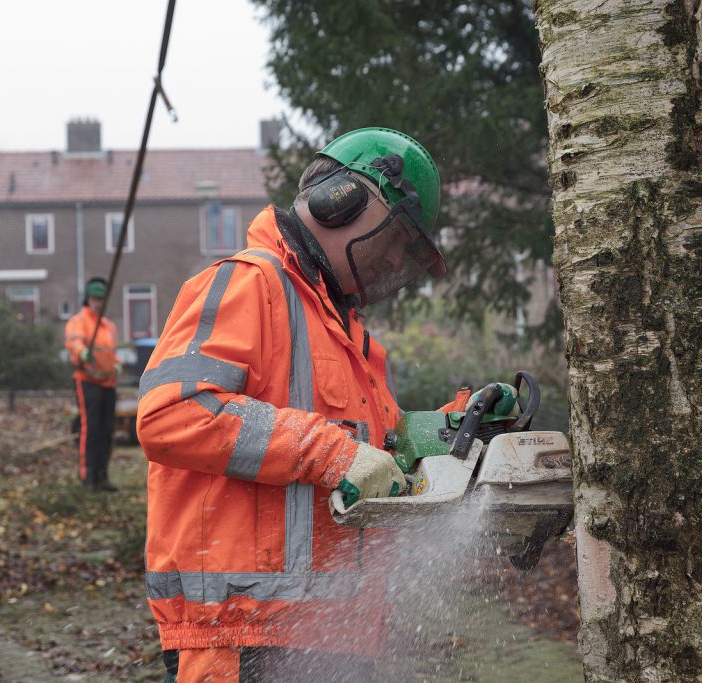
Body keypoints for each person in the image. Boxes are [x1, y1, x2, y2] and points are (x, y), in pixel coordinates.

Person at [136, 127, 446, 681]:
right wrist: (329, 452)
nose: (394, 258)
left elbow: (384, 449)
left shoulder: (350, 336)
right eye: (395, 237)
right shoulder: (246, 284)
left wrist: (461, 424)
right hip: (243, 637)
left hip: (336, 637)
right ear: (341, 202)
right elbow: (171, 413)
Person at [65, 277, 120, 490]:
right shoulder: (79, 321)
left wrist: (116, 364)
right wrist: (82, 352)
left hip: (108, 382)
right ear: (88, 299)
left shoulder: (108, 326)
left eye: (101, 299)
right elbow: (73, 342)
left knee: (107, 430)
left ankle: (102, 475)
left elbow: (110, 352)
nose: (98, 302)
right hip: (87, 381)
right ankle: (87, 476)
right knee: (91, 428)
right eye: (95, 298)